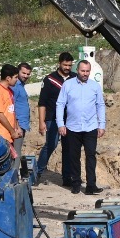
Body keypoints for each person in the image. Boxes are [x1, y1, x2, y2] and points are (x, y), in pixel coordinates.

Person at [56, 58, 105, 195]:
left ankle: (91, 186)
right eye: (82, 70)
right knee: (74, 156)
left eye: (87, 71)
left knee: (90, 156)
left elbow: (100, 105)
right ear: (77, 70)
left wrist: (102, 125)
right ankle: (76, 183)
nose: (85, 73)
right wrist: (61, 124)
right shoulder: (68, 85)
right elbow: (60, 104)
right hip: (73, 127)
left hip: (90, 127)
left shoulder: (95, 86)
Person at [34, 52, 74, 185]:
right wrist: (41, 122)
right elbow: (42, 103)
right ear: (59, 63)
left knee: (68, 147)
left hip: (70, 119)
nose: (67, 67)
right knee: (51, 145)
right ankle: (37, 173)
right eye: (65, 65)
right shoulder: (50, 79)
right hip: (52, 118)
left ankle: (67, 177)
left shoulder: (74, 78)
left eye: (69, 65)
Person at [0, 64, 23, 152]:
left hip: (10, 134)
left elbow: (11, 111)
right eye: (15, 77)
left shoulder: (9, 90)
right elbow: (0, 115)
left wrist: (17, 127)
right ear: (8, 78)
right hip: (2, 135)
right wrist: (12, 131)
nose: (17, 80)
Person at [12, 62, 33, 161]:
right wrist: (17, 125)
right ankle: (14, 175)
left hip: (21, 124)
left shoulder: (21, 86)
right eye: (23, 73)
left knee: (16, 152)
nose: (25, 76)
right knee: (16, 153)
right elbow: (12, 106)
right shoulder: (15, 86)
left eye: (28, 74)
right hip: (17, 125)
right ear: (18, 72)